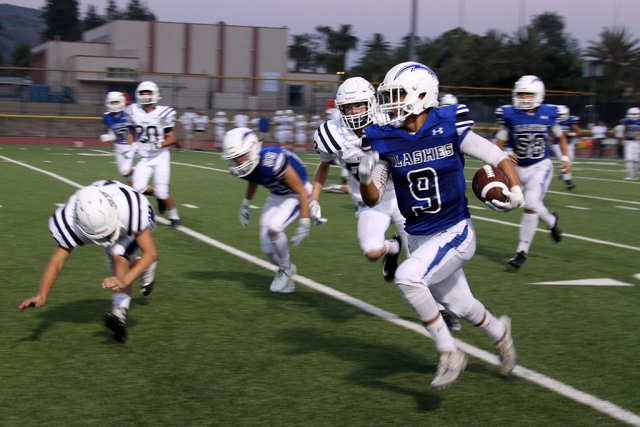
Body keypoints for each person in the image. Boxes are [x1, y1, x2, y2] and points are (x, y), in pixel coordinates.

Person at [358, 61, 522, 390]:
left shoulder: (448, 124)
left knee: (407, 277)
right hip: (419, 236)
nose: (389, 103)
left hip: (454, 231)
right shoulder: (385, 138)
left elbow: (495, 156)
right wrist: (364, 178)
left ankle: (449, 352)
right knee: (462, 305)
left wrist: (516, 189)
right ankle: (499, 332)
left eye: (396, 95)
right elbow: (374, 198)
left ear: (420, 95)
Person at [18, 180, 158, 343]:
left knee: (118, 254)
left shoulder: (130, 207)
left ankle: (118, 312)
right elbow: (57, 261)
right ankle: (142, 266)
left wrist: (125, 280)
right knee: (116, 264)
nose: (107, 239)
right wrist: (41, 295)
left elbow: (151, 252)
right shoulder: (69, 221)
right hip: (106, 217)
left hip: (137, 215)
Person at [311, 76, 406, 283]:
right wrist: (313, 199)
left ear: (370, 104)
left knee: (419, 257)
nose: (354, 111)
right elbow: (324, 165)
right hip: (368, 202)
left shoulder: (389, 122)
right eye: (348, 107)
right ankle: (392, 247)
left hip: (401, 196)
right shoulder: (333, 134)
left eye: (358, 105)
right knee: (372, 252)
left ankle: (441, 310)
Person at [221, 127, 313, 293]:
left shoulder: (272, 160)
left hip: (297, 194)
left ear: (252, 148)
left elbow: (301, 190)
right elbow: (254, 178)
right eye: (234, 159)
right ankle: (288, 281)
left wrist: (305, 222)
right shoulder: (247, 164)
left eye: (241, 156)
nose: (239, 162)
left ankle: (285, 269)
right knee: (267, 248)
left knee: (274, 227)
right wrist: (246, 203)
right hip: (277, 195)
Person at [495, 75, 570, 269]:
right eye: (521, 94)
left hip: (540, 166)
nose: (524, 98)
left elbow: (561, 138)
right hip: (517, 168)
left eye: (528, 94)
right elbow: (500, 143)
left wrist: (564, 159)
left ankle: (521, 252)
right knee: (515, 204)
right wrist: (505, 152)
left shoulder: (549, 114)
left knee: (530, 205)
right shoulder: (510, 115)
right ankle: (551, 220)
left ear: (539, 95)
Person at [127, 81, 181, 229]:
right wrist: (128, 148)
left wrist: (158, 144)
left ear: (155, 94)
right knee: (137, 187)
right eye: (143, 93)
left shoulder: (164, 113)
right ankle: (158, 196)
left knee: (164, 192)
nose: (145, 96)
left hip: (161, 156)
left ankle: (175, 218)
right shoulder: (133, 111)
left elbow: (172, 139)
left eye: (148, 93)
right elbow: (131, 132)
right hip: (144, 157)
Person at [100, 92, 136, 185]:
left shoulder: (129, 114)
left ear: (122, 102)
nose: (115, 105)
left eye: (116, 102)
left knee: (125, 171)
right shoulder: (107, 117)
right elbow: (113, 134)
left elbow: (134, 131)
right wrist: (108, 137)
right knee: (124, 174)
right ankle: (137, 191)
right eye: (112, 103)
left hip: (132, 144)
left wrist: (130, 147)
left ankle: (141, 170)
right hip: (118, 146)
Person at [552, 106, 580, 190]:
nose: (560, 116)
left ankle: (562, 173)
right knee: (564, 162)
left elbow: (578, 132)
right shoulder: (554, 121)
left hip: (569, 144)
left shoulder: (571, 120)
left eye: (562, 114)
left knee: (570, 162)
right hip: (557, 144)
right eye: (559, 114)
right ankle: (568, 183)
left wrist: (570, 134)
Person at [622, 107, 640, 180]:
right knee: (629, 159)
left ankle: (634, 175)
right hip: (629, 141)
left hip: (638, 142)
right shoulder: (626, 121)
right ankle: (630, 175)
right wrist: (623, 139)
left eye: (634, 114)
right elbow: (624, 130)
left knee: (635, 159)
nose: (632, 115)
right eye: (631, 114)